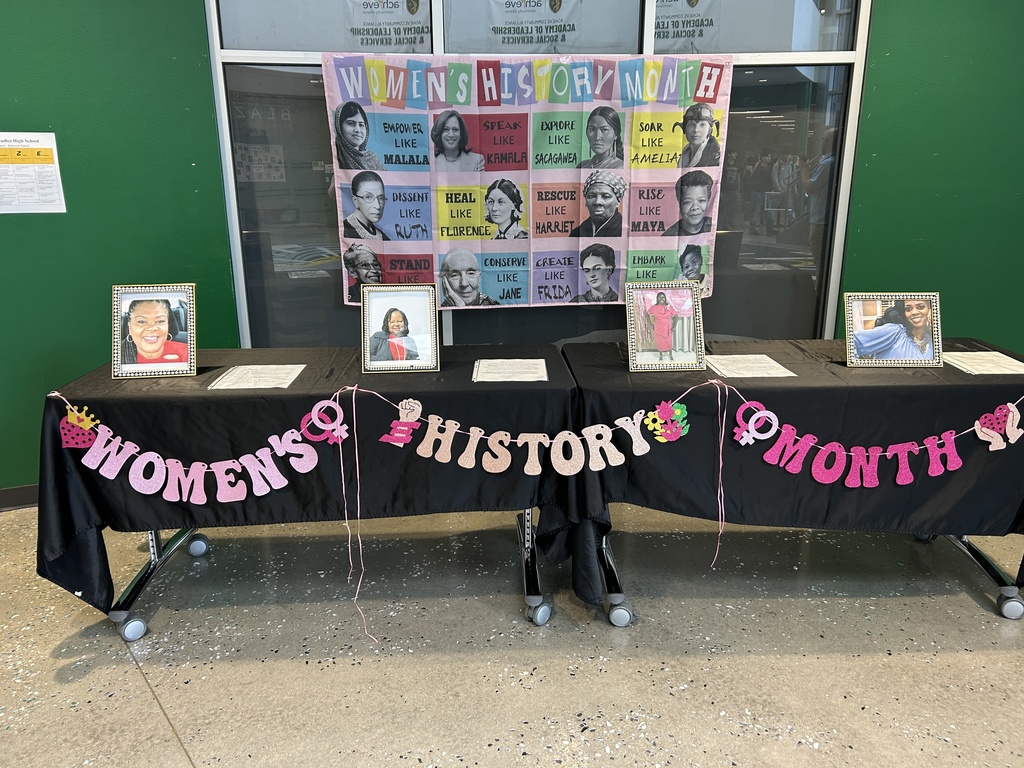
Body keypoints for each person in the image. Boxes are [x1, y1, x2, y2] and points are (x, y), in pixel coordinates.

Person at [801, 127, 839, 273]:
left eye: (824, 139)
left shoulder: (827, 163)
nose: (821, 142)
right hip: (828, 218)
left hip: (820, 220)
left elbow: (810, 187)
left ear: (828, 142)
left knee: (820, 263)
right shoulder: (832, 161)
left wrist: (803, 169)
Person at [853, 299, 934, 360]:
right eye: (908, 309)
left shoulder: (931, 340)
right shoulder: (895, 331)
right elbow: (853, 341)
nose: (914, 312)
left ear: (930, 310)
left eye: (920, 307)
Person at [121, 298, 188, 365]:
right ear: (130, 327)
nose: (152, 328)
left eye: (160, 321)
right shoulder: (117, 356)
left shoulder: (187, 353)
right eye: (141, 322)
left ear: (167, 325)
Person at [570, 170, 626, 238]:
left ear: (618, 201)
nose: (597, 202)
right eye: (591, 196)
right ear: (586, 201)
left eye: (606, 196)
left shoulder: (624, 230)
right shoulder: (576, 233)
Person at [333, 101, 385, 171]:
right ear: (339, 126)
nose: (357, 130)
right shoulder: (335, 156)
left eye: (361, 125)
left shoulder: (373, 160)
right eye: (351, 123)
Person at [663, 170, 714, 237]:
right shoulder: (667, 237)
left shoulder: (715, 226)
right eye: (688, 202)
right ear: (679, 203)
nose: (695, 207)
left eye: (701, 200)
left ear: (708, 200)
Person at [343, 171, 391, 241]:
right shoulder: (344, 230)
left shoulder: (384, 238)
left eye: (380, 198)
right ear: (355, 200)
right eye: (368, 197)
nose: (377, 206)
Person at [674, 103, 722, 169]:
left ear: (709, 129)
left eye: (702, 125)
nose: (696, 130)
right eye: (691, 125)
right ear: (685, 128)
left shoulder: (715, 156)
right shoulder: (686, 152)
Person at [747, 149, 775, 235]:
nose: (769, 158)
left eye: (770, 157)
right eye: (767, 156)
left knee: (767, 211)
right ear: (762, 158)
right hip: (757, 191)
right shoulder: (757, 165)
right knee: (755, 210)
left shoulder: (771, 167)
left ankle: (769, 228)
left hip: (766, 191)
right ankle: (753, 228)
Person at [646, 292, 678, 362]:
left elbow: (676, 316)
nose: (661, 299)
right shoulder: (653, 307)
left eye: (663, 297)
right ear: (657, 298)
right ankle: (661, 355)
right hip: (658, 328)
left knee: (668, 342)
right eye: (659, 297)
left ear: (665, 298)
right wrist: (650, 324)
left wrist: (674, 326)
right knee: (660, 343)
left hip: (668, 328)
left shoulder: (669, 307)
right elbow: (647, 314)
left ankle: (670, 355)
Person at [719, 149, 743, 229]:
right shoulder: (724, 165)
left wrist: (738, 189)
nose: (735, 155)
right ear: (729, 154)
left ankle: (730, 221)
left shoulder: (737, 165)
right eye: (734, 153)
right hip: (726, 189)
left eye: (736, 153)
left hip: (734, 189)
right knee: (726, 207)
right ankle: (725, 223)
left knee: (735, 206)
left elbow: (738, 177)